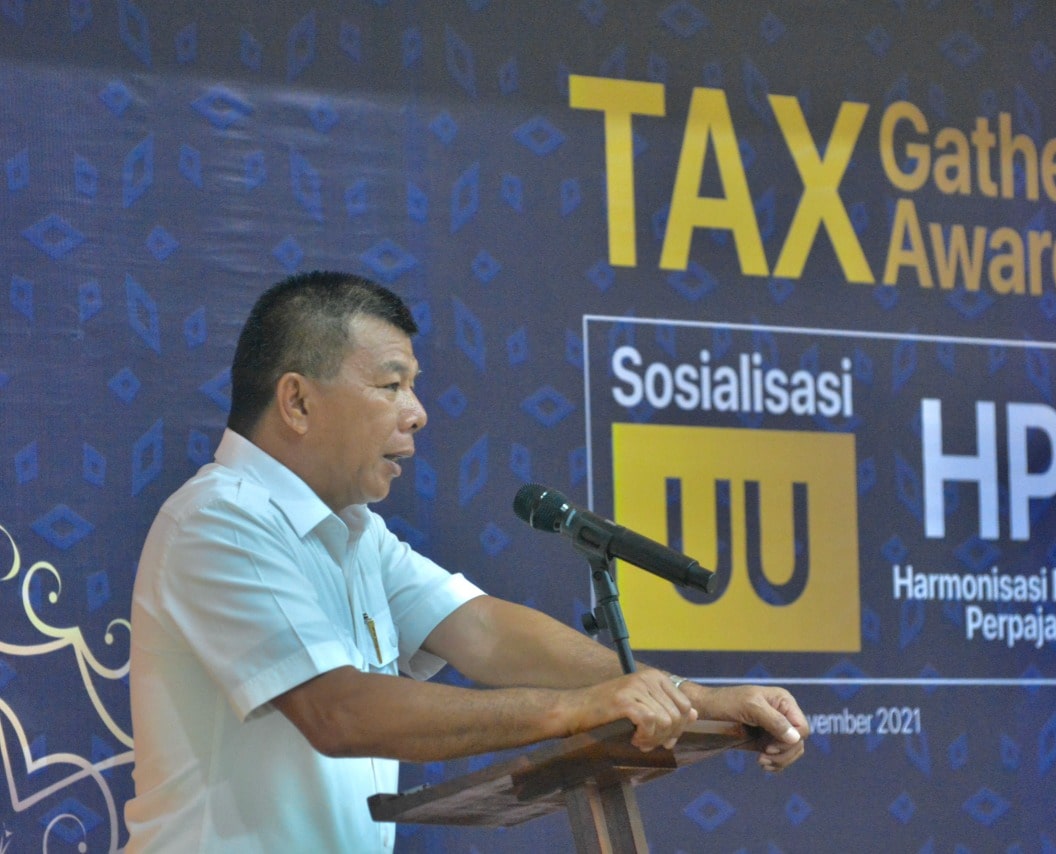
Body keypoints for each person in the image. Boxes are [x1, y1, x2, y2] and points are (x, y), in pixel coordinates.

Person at [125, 271, 808, 852]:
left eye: (413, 386)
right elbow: (340, 712)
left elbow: (484, 632)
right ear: (298, 401)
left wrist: (698, 699)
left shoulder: (357, 533)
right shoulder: (220, 522)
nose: (417, 413)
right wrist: (575, 710)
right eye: (391, 385)